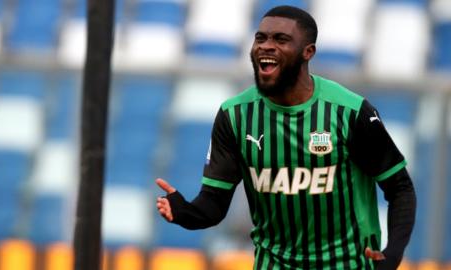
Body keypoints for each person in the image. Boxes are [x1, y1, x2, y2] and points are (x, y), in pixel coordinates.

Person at [156, 5, 416, 270]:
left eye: (280, 40)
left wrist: (392, 255)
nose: (266, 46)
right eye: (261, 38)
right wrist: (186, 213)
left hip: (347, 265)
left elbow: (400, 188)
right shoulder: (234, 115)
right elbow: (214, 202)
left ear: (308, 52)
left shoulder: (349, 112)